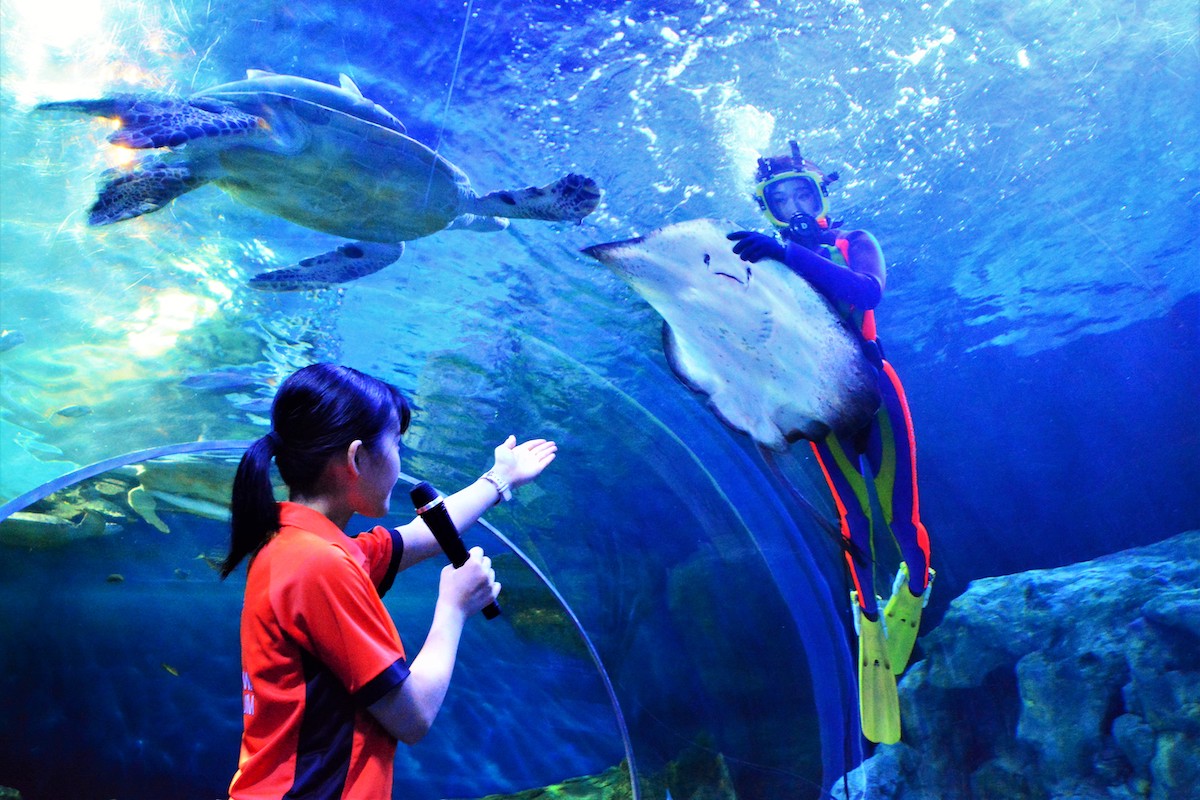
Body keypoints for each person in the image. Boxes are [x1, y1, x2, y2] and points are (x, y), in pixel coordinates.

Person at [219, 363, 557, 798]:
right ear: (357, 458)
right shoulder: (318, 565)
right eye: (396, 444)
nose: (400, 463)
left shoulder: (295, 546)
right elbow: (412, 716)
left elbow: (422, 534)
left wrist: (500, 478)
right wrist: (454, 607)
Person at [726, 142, 933, 746]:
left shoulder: (853, 240)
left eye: (804, 194)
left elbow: (867, 293)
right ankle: (867, 617)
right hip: (819, 402)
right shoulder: (763, 263)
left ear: (821, 195)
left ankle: (915, 590)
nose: (794, 207)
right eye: (780, 200)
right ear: (765, 208)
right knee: (852, 522)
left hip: (876, 391)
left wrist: (787, 253)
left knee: (900, 517)